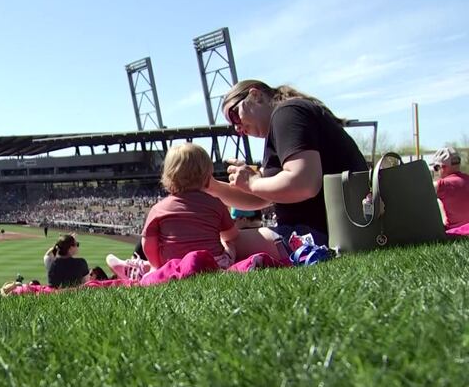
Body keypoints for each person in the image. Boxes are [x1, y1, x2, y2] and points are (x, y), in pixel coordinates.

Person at [210, 79, 367, 258]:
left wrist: (253, 182)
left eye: (235, 114)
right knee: (221, 241)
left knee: (217, 244)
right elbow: (261, 198)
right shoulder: (285, 119)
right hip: (324, 231)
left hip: (317, 236)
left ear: (256, 96)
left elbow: (304, 184)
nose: (237, 127)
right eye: (232, 124)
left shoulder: (286, 114)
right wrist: (210, 186)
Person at [121, 143, 238, 275]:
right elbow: (232, 235)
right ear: (207, 177)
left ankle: (145, 269)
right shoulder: (216, 204)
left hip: (173, 266)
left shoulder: (159, 209)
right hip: (214, 265)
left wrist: (156, 265)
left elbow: (147, 243)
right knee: (230, 245)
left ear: (168, 177)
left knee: (156, 262)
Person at [431, 147, 469, 230]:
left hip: (452, 232)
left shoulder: (440, 185)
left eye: (435, 168)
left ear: (442, 167)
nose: (436, 171)